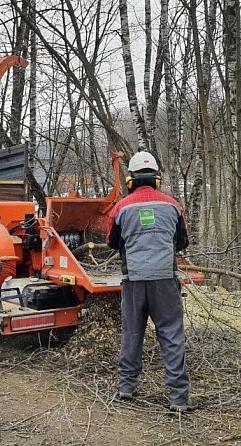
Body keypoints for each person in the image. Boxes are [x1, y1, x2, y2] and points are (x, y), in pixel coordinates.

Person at [106, 151, 195, 412]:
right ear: (157, 178)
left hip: (133, 281)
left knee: (132, 333)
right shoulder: (173, 206)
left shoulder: (121, 208)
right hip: (165, 281)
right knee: (171, 335)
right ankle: (178, 397)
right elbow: (182, 242)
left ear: (131, 180)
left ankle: (126, 387)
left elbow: (112, 242)